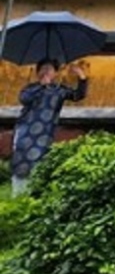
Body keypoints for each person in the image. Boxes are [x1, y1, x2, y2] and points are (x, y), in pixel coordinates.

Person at [10, 59, 88, 195]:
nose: (46, 71)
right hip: (25, 132)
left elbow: (78, 95)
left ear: (55, 73)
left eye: (50, 69)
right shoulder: (31, 88)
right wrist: (41, 86)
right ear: (37, 72)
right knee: (21, 162)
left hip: (44, 135)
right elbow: (24, 99)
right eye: (43, 69)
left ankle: (35, 195)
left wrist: (82, 77)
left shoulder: (59, 90)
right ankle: (18, 195)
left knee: (40, 163)